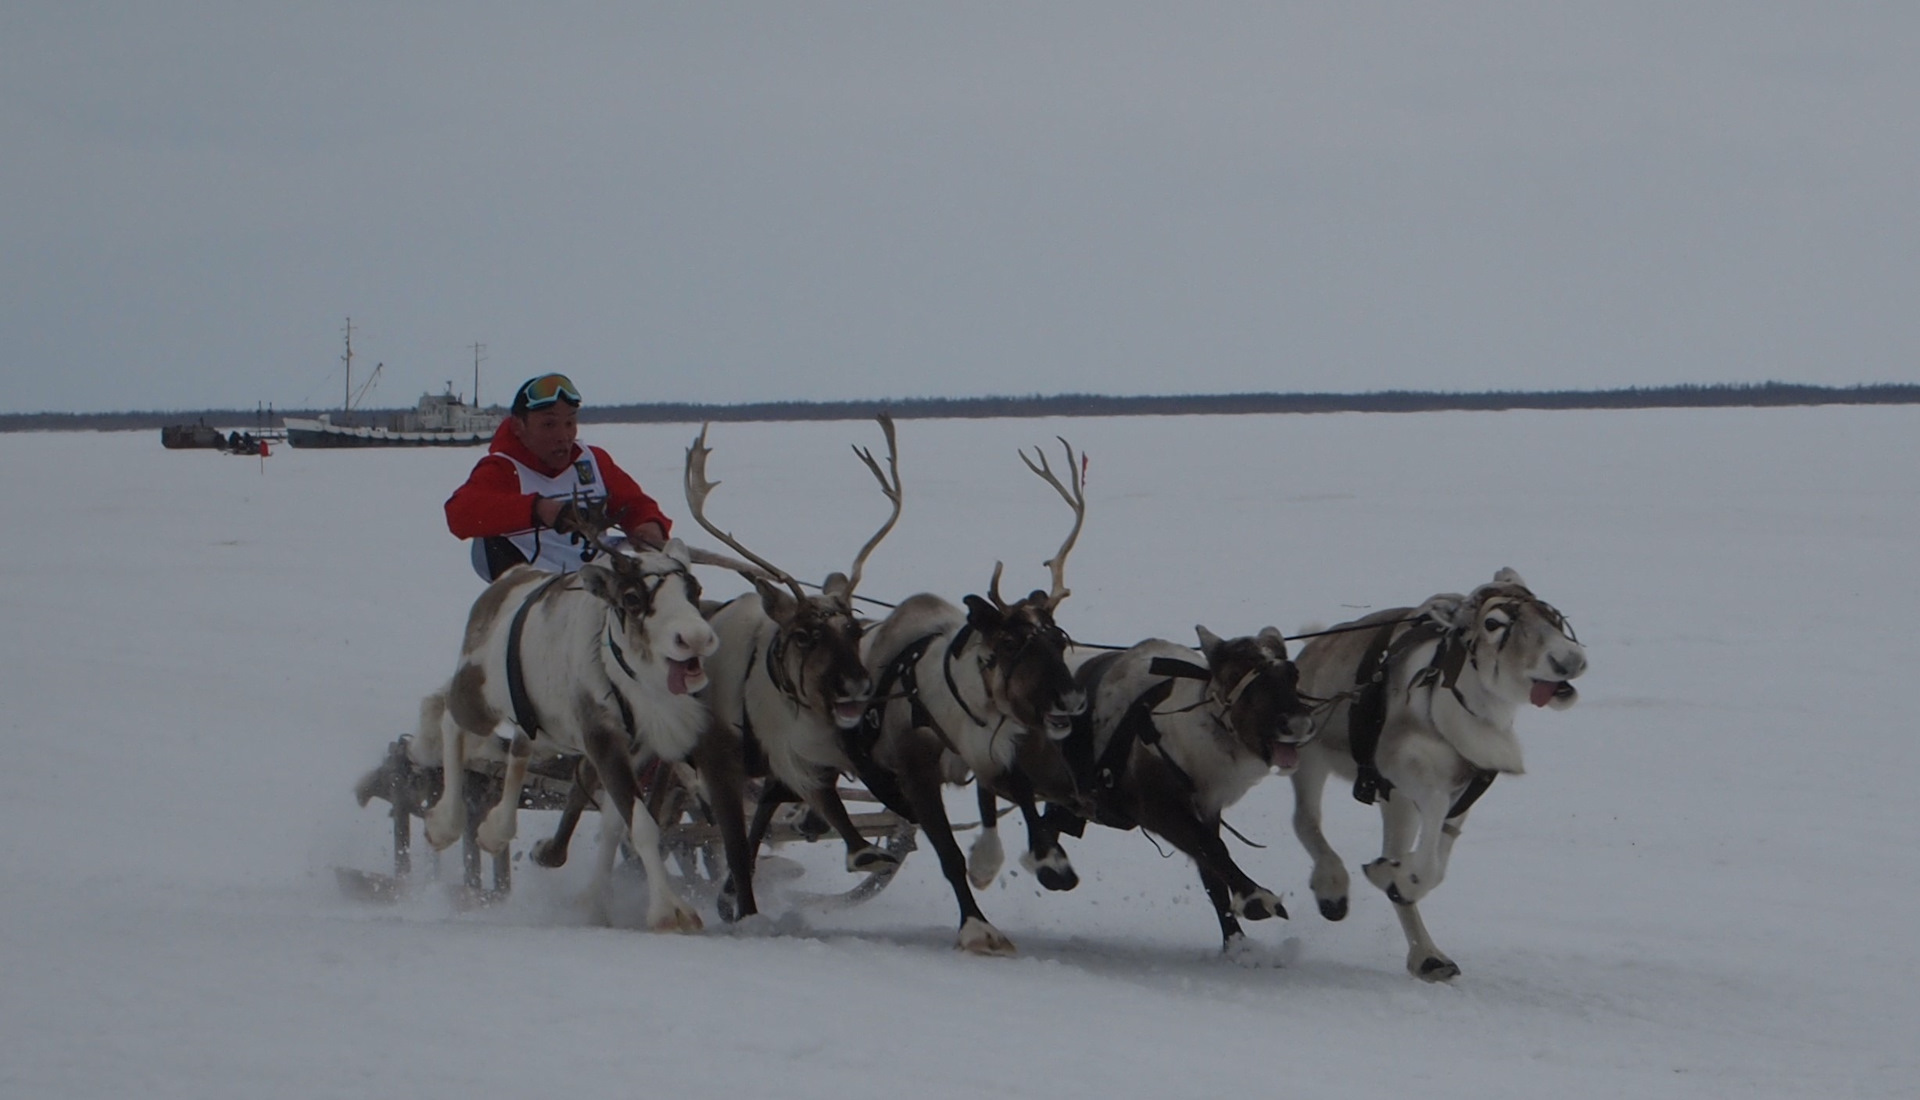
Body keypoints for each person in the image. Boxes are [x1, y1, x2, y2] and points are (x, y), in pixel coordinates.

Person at [445, 373, 672, 581]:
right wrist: (538, 510)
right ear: (518, 426)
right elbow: (459, 515)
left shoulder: (593, 462)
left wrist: (649, 525)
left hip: (603, 586)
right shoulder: (504, 469)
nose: (563, 436)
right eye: (548, 424)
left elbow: (636, 505)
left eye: (570, 423)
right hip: (538, 600)